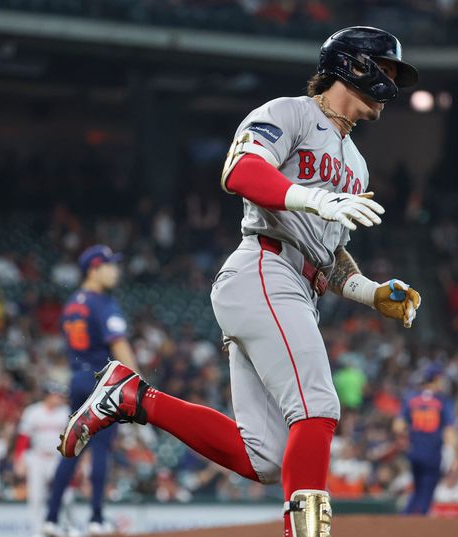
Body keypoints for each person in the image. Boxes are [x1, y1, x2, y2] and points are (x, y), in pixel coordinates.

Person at [57, 26, 421, 537]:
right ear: (353, 66)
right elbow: (241, 171)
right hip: (264, 269)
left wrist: (369, 292)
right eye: (386, 69)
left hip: (296, 283)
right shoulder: (290, 112)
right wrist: (316, 198)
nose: (392, 83)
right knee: (318, 406)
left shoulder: (356, 164)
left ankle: (133, 397)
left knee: (266, 458)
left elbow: (328, 254)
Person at [44, 245, 139, 537]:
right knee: (100, 448)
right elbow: (120, 345)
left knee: (71, 448)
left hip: (78, 379)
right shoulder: (102, 303)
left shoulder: (72, 303)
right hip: (102, 381)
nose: (116, 271)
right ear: (94, 269)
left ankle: (50, 519)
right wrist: (138, 382)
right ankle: (96, 519)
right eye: (110, 266)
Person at [394, 364, 457, 515]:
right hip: (433, 452)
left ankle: (405, 519)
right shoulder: (443, 401)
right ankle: (413, 523)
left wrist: (406, 439)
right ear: (436, 379)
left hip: (414, 452)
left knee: (417, 488)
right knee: (426, 493)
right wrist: (453, 455)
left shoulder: (412, 398)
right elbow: (449, 431)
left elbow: (397, 426)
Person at [14, 383, 70, 537]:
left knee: (65, 496)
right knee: (36, 498)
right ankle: (36, 533)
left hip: (58, 458)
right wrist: (20, 460)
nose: (59, 398)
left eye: (60, 395)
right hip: (37, 457)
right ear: (47, 395)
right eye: (56, 394)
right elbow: (23, 439)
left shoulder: (66, 412)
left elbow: (74, 439)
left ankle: (64, 528)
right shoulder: (33, 411)